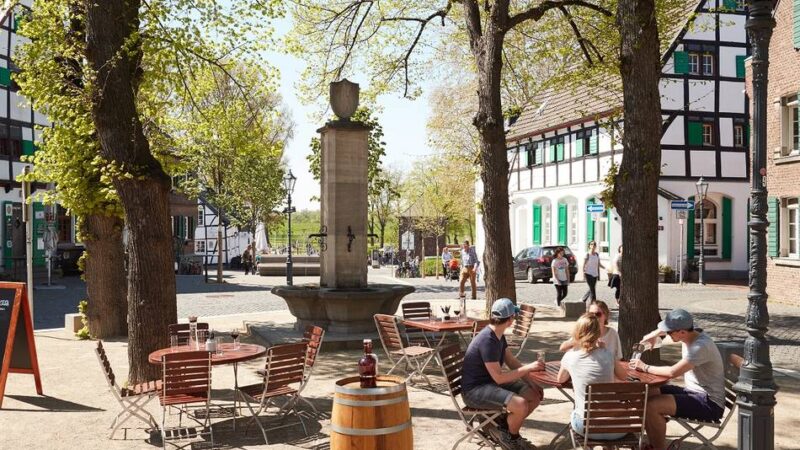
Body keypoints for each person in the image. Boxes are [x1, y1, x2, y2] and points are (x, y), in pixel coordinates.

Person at [632, 309, 725, 450]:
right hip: (693, 393)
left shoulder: (701, 347)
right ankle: (653, 440)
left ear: (682, 332)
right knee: (648, 391)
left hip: (709, 403)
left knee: (652, 406)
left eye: (670, 332)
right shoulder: (691, 332)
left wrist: (644, 367)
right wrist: (654, 334)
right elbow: (668, 328)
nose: (667, 335)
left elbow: (672, 372)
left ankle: (657, 447)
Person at [462, 298, 544, 450]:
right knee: (521, 404)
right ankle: (511, 438)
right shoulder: (488, 340)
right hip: (474, 391)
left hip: (488, 383)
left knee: (533, 395)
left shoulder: (498, 334)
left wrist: (532, 382)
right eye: (514, 315)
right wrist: (529, 368)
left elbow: (512, 362)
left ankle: (501, 430)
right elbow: (499, 378)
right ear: (510, 319)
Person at [557, 313, 628, 441]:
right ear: (598, 334)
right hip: (618, 428)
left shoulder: (570, 356)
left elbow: (560, 379)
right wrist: (606, 351)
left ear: (577, 332)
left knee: (575, 413)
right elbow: (623, 376)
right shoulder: (608, 355)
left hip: (587, 428)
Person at [580, 241, 604, 306]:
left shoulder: (597, 254)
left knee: (592, 288)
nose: (593, 245)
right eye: (591, 244)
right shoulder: (587, 254)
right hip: (588, 274)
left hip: (595, 274)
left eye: (594, 244)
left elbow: (599, 264)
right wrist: (583, 274)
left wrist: (605, 268)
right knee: (592, 289)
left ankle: (583, 299)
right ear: (589, 246)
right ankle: (593, 303)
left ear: (596, 246)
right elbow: (584, 265)